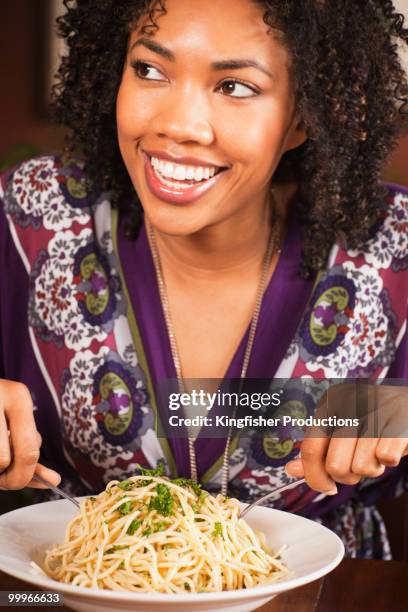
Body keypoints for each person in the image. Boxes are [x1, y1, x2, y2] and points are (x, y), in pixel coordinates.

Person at [0, 0, 407, 560]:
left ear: (303, 117)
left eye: (235, 86)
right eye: (148, 70)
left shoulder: (391, 242)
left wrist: (392, 416)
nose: (177, 124)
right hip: (71, 585)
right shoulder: (32, 216)